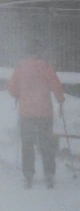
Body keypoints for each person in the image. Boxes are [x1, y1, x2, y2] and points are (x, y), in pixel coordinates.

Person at [8, 45, 65, 189]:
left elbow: (12, 88)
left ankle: (28, 174)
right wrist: (60, 99)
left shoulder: (21, 67)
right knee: (46, 144)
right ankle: (49, 174)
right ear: (40, 53)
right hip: (44, 113)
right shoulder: (46, 66)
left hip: (26, 113)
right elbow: (56, 85)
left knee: (27, 144)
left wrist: (18, 95)